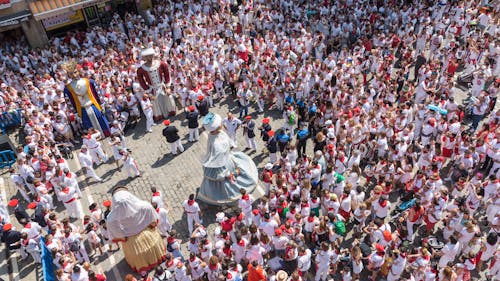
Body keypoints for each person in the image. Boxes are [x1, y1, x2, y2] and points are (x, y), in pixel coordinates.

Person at [198, 113, 260, 205]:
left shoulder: (217, 133)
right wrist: (227, 174)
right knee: (227, 182)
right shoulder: (217, 145)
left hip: (226, 157)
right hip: (222, 164)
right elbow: (218, 162)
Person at [106, 186, 166, 275]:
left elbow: (117, 234)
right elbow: (153, 222)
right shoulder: (145, 206)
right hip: (149, 236)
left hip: (132, 245)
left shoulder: (111, 219)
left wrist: (124, 237)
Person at [62, 60, 110, 137]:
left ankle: (106, 134)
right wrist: (75, 113)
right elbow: (69, 103)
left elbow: (98, 93)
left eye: (75, 72)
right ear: (68, 75)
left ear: (78, 71)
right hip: (82, 109)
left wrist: (102, 103)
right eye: (71, 74)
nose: (74, 75)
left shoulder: (89, 82)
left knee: (101, 121)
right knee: (89, 127)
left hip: (93, 106)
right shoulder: (67, 89)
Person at [136, 47, 175, 120]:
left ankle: (170, 112)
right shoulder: (141, 69)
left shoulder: (161, 64)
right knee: (155, 103)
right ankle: (159, 116)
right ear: (144, 57)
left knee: (168, 98)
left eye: (150, 55)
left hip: (162, 86)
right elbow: (142, 82)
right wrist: (148, 92)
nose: (149, 58)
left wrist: (168, 87)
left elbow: (167, 74)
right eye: (147, 56)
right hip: (152, 88)